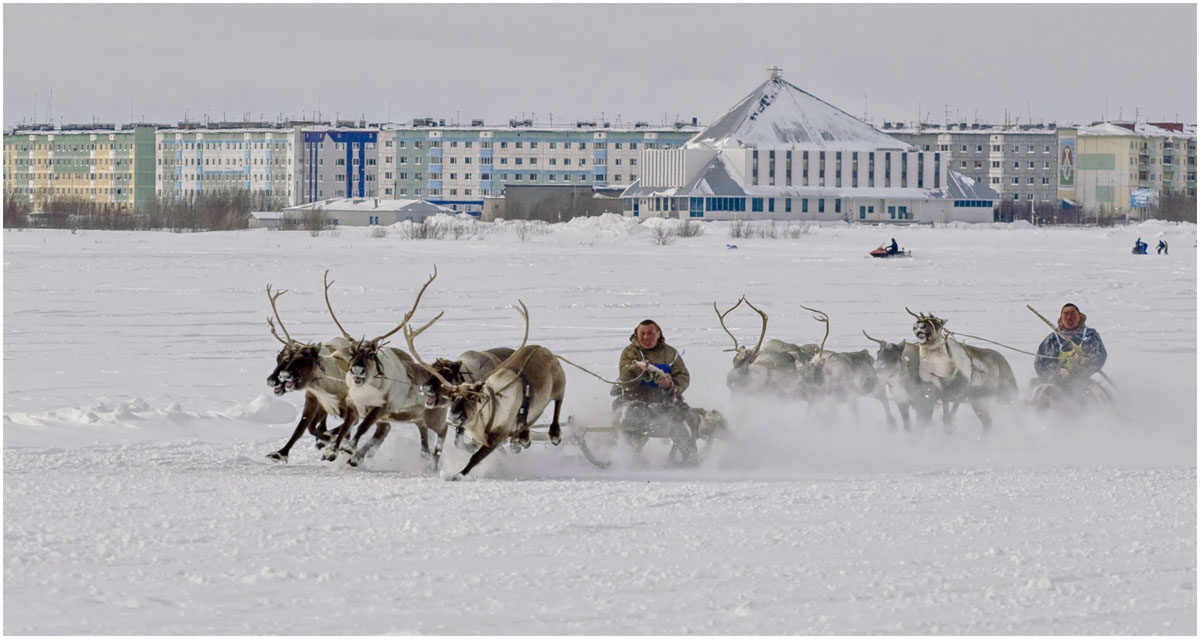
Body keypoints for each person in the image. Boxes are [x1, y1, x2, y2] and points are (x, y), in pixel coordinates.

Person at [612, 319, 699, 465]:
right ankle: (627, 459)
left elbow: (683, 376)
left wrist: (671, 385)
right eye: (642, 334)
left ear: (658, 334)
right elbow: (624, 376)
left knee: (684, 418)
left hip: (664, 400)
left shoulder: (671, 354)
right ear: (636, 334)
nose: (646, 337)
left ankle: (691, 462)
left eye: (650, 333)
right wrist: (637, 369)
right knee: (632, 415)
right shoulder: (630, 352)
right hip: (633, 399)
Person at [1032, 303, 1108, 404]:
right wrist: (1056, 375)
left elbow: (1099, 357)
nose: (1069, 317)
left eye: (1073, 314)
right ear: (1061, 317)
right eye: (1066, 314)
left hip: (1082, 383)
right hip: (1055, 384)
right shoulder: (1052, 339)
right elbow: (1040, 364)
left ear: (1079, 316)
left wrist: (1080, 371)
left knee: (1098, 396)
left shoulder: (1090, 336)